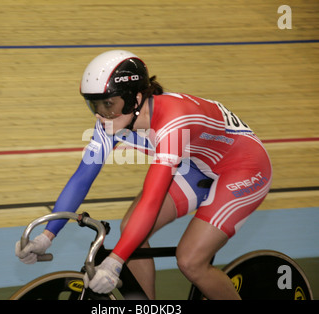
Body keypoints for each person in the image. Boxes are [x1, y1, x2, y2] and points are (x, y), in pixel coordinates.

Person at [16, 50, 272, 300]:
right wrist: (47, 236)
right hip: (196, 164)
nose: (100, 114)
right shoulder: (112, 119)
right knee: (132, 231)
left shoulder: (173, 120)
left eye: (108, 104)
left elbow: (153, 198)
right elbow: (83, 176)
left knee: (190, 261)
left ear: (135, 99)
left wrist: (116, 261)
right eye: (94, 104)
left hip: (243, 167)